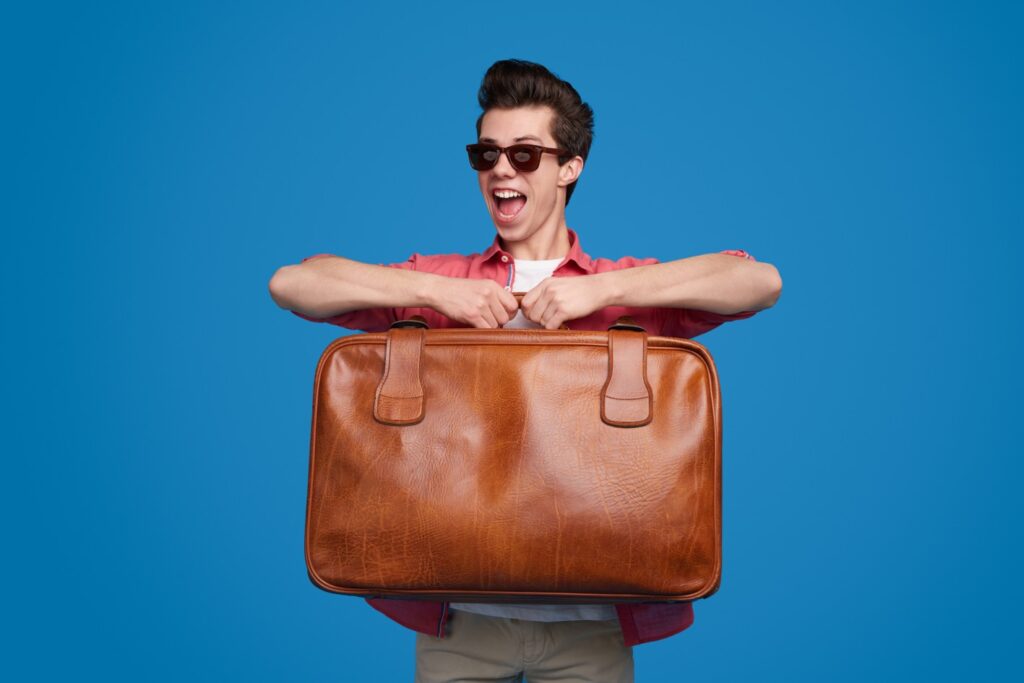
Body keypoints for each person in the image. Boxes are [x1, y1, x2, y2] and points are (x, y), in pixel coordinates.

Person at [269, 58, 782, 683]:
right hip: (460, 623)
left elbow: (757, 281)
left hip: (590, 627)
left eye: (525, 155)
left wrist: (600, 292)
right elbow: (293, 283)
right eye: (486, 155)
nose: (501, 170)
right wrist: (434, 293)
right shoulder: (442, 281)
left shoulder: (613, 290)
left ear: (570, 167)